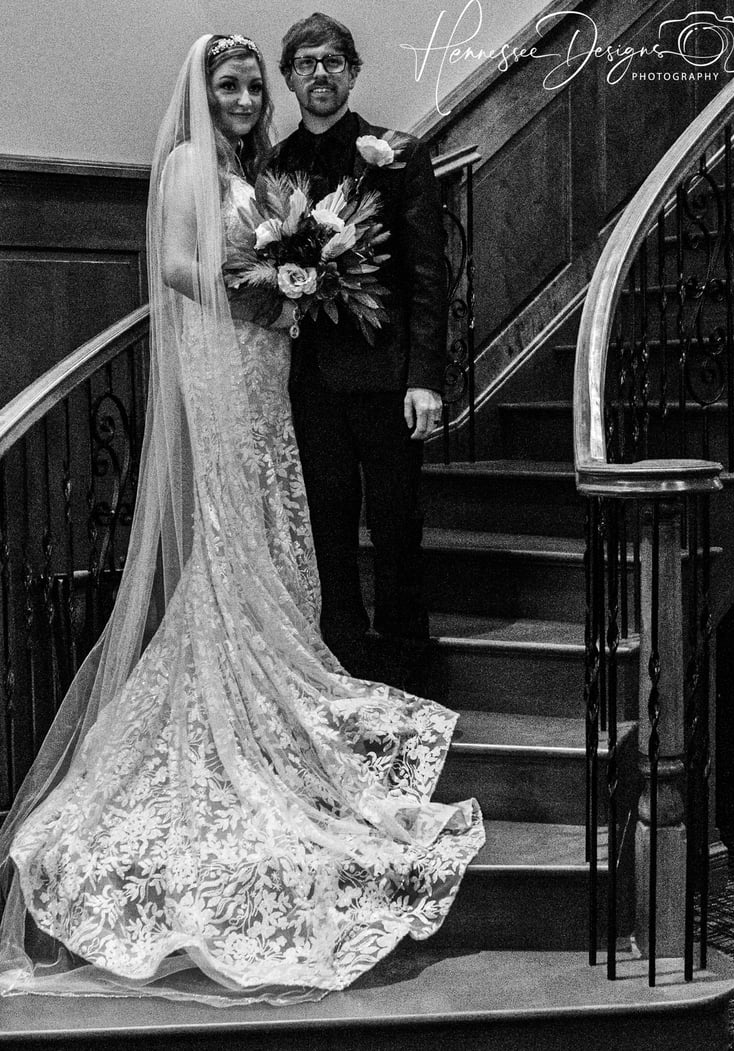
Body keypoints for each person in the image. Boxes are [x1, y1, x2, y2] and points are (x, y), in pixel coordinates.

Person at [0, 34, 483, 1006]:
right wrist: (266, 285)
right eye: (229, 82)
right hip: (228, 362)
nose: (241, 94)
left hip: (275, 369)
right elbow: (179, 265)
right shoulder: (188, 165)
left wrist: (291, 282)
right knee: (238, 530)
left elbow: (379, 267)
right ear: (202, 93)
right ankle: (246, 680)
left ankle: (317, 656)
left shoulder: (267, 172)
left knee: (295, 524)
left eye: (247, 82)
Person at [270, 13, 447, 683]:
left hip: (387, 376)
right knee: (329, 529)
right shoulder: (274, 165)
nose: (321, 72)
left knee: (399, 525)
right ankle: (344, 663)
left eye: (333, 61)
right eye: (307, 62)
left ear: (353, 72)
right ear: (289, 77)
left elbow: (428, 277)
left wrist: (425, 378)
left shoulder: (398, 153)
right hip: (309, 382)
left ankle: (409, 667)